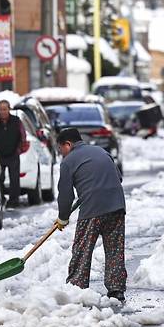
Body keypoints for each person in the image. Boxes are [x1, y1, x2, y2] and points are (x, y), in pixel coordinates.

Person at [54, 127, 127, 302]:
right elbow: (118, 177)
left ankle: (76, 287)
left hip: (92, 210)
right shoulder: (101, 151)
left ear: (68, 144)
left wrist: (63, 217)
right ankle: (116, 289)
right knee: (115, 249)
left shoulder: (68, 161)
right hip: (116, 205)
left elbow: (65, 195)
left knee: (82, 249)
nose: (60, 154)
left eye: (60, 149)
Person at [0, 99, 27, 208]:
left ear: (9, 109)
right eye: (1, 109)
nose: (3, 112)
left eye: (5, 109)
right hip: (0, 155)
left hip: (13, 154)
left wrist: (19, 149)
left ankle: (14, 201)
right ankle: (1, 199)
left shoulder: (16, 121)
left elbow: (23, 136)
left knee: (14, 179)